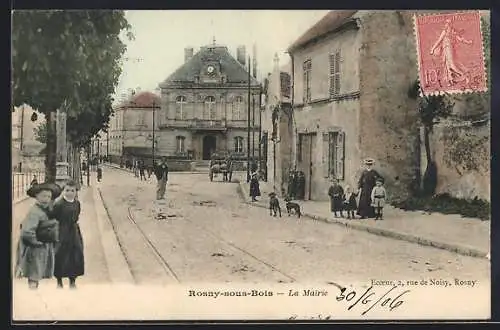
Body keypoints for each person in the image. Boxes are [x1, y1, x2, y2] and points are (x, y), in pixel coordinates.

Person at [15, 182, 61, 289]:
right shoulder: (35, 212)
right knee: (34, 273)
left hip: (41, 248)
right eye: (44, 196)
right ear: (37, 196)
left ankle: (34, 292)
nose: (46, 199)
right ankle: (32, 294)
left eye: (49, 196)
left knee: (37, 272)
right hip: (35, 249)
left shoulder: (45, 210)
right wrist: (36, 242)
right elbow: (27, 231)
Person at [52, 180, 84, 289]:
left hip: (74, 231)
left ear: (76, 192)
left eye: (72, 190)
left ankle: (72, 280)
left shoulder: (77, 203)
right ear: (63, 191)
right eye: (67, 190)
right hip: (62, 231)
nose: (70, 193)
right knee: (60, 254)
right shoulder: (58, 204)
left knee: (76, 253)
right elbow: (54, 216)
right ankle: (59, 281)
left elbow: (77, 215)